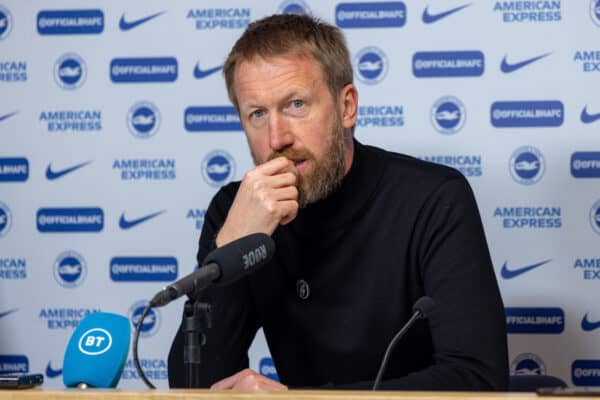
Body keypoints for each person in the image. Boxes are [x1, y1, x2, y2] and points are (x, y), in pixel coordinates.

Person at [168, 13, 508, 391]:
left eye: (295, 104)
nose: (277, 137)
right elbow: (193, 384)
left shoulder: (433, 198)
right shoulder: (237, 209)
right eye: (257, 114)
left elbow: (479, 378)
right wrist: (232, 246)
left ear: (347, 107)